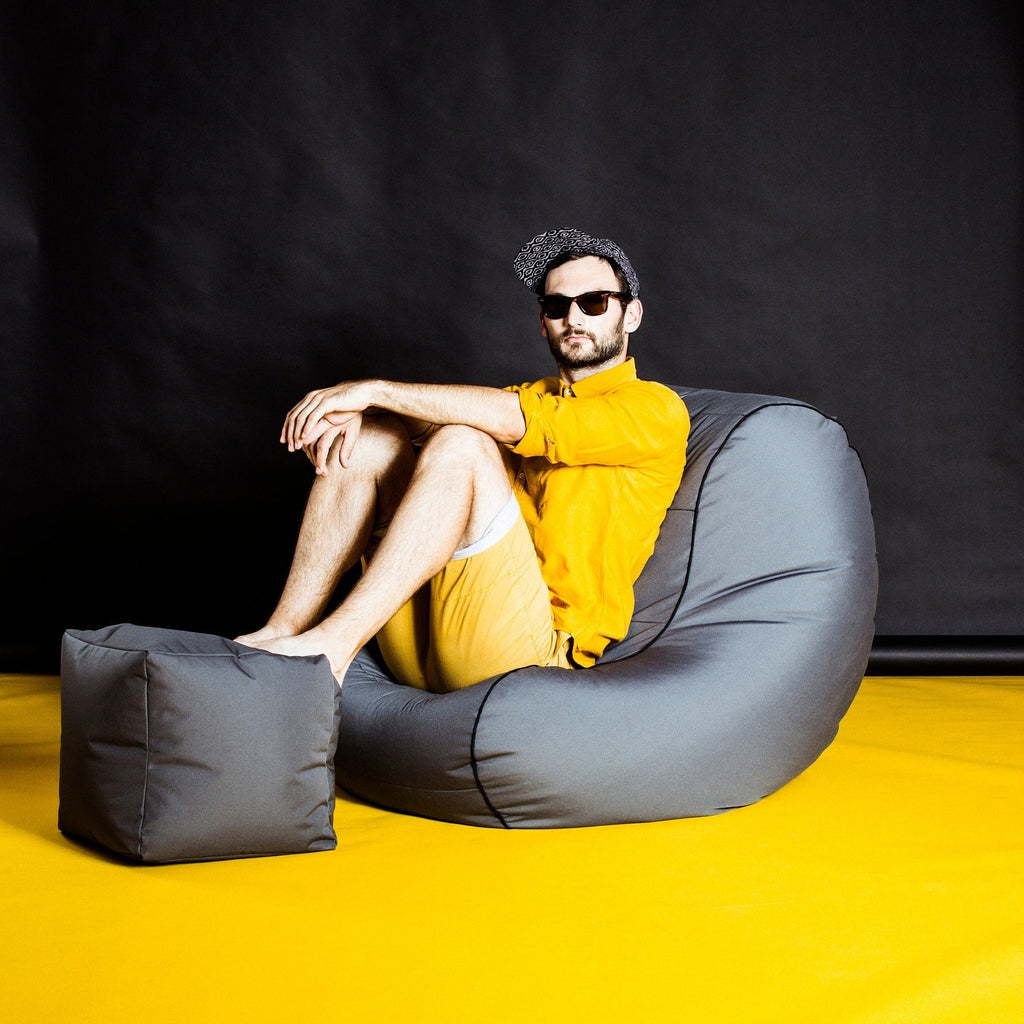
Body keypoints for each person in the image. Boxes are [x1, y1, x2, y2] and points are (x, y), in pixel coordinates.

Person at [237, 228, 690, 690]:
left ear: (630, 315)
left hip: (533, 653)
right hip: (430, 634)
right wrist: (364, 411)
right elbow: (436, 423)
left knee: (464, 442)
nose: (573, 317)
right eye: (556, 306)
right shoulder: (533, 395)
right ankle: (282, 630)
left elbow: (522, 422)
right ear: (542, 322)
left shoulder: (654, 409)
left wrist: (374, 390)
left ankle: (332, 647)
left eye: (593, 302)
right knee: (376, 439)